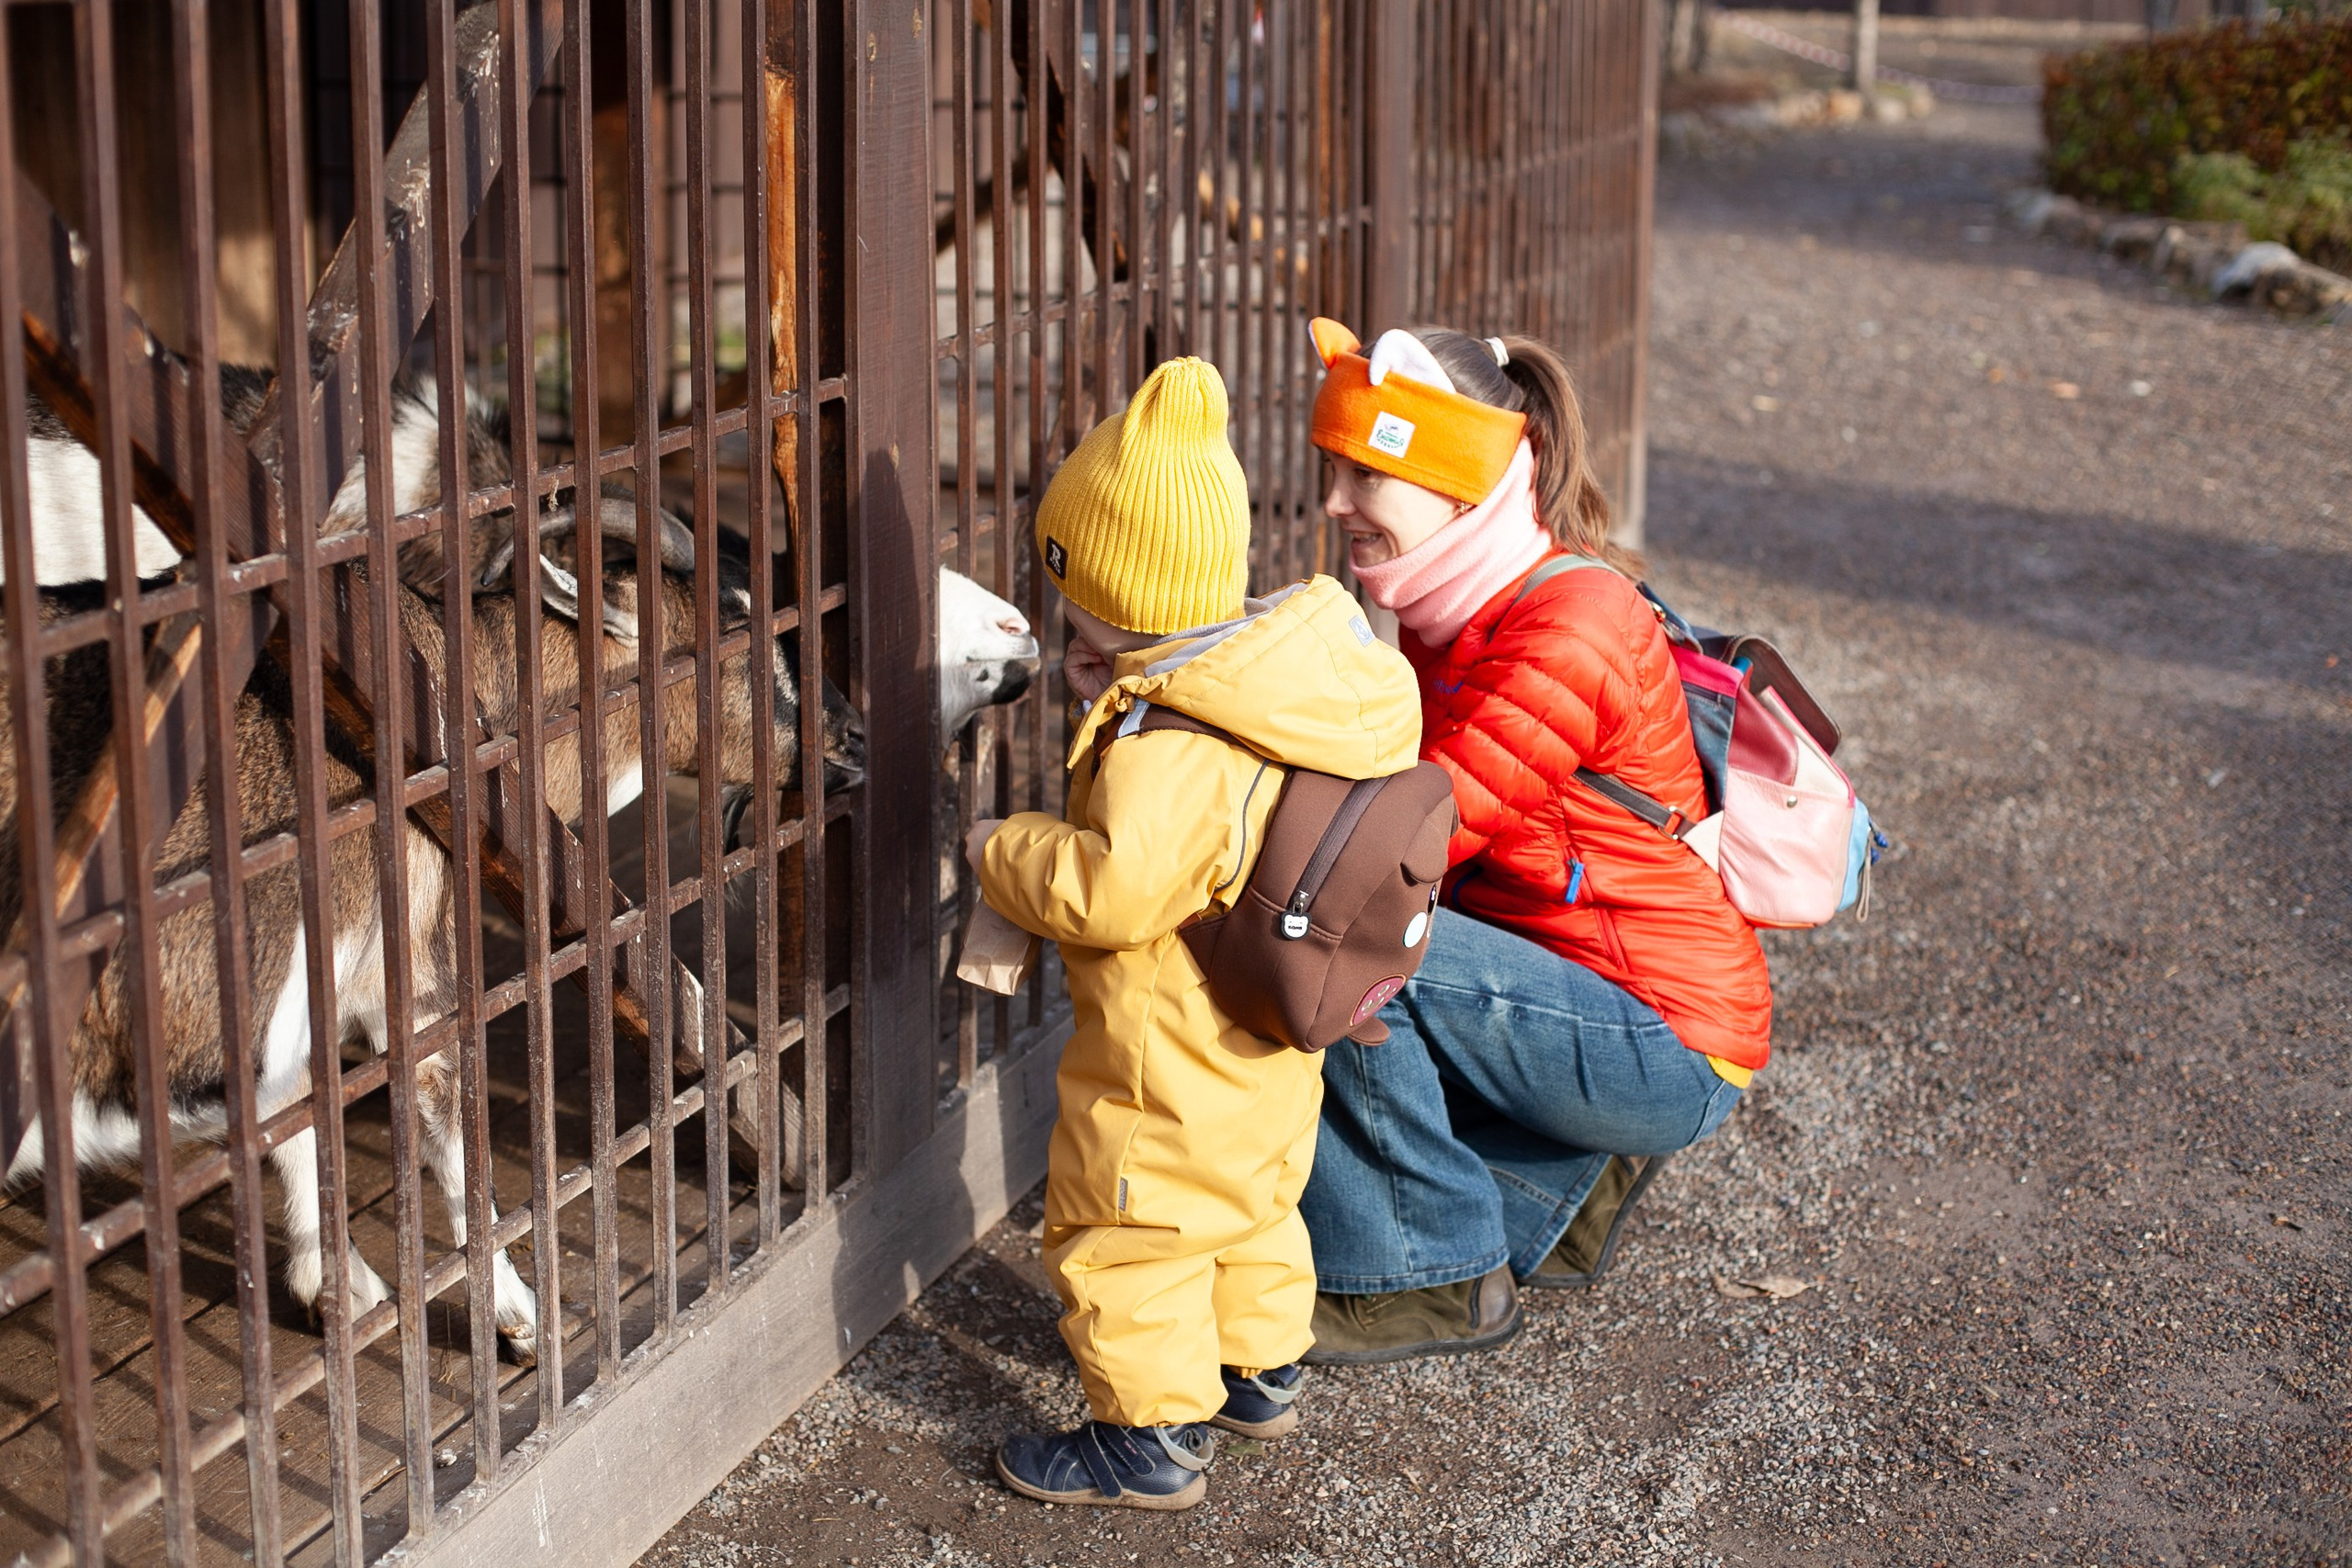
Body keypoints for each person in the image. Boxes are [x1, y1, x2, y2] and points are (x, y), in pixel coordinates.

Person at [967, 357, 1422, 1506]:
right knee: (1255, 1204)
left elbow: (1113, 891)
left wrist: (997, 847)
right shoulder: (1264, 686)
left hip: (1158, 1063)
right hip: (1266, 1038)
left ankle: (1148, 1438)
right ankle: (1257, 1369)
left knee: (1128, 1234)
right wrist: (1114, 680)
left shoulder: (1171, 749)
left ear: (1106, 593)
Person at [1295, 319, 1771, 1364]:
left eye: (1365, 477)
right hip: (1604, 991)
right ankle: (1545, 1191)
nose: (1334, 504)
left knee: (1330, 937)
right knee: (1322, 914)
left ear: (1459, 483)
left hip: (1669, 1038)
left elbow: (1428, 829)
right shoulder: (1455, 610)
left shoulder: (1567, 628)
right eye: (1333, 471)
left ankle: (1428, 1278)